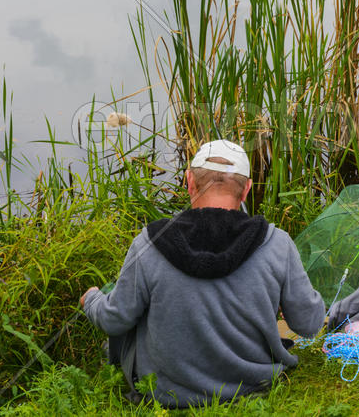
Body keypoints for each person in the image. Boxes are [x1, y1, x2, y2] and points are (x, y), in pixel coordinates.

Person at [80, 139, 325, 408]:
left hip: (165, 393)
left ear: (189, 182)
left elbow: (114, 321)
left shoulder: (149, 242)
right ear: (246, 191)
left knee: (130, 310)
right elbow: (309, 324)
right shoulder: (277, 243)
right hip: (254, 384)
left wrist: (91, 299)